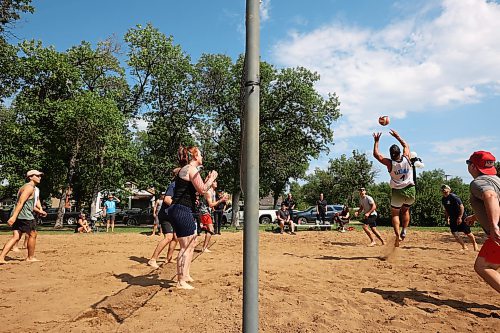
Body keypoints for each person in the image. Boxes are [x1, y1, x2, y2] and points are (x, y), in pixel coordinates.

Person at [168, 146, 218, 289]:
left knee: (193, 241)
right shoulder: (191, 169)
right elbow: (203, 189)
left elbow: (200, 187)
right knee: (186, 245)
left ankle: (186, 274)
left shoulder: (190, 170)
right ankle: (180, 281)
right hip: (180, 209)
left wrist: (207, 180)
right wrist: (212, 178)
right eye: (200, 155)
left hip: (183, 209)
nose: (202, 157)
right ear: (195, 156)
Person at [463, 151, 500, 292]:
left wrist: (494, 225)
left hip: (498, 233)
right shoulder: (497, 180)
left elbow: (490, 196)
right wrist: (476, 216)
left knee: (483, 266)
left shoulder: (478, 182)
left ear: (473, 166)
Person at [373, 129, 415, 247]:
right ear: (399, 153)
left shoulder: (390, 163)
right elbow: (405, 145)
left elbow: (377, 155)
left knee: (395, 214)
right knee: (406, 210)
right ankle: (404, 231)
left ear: (391, 154)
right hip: (411, 189)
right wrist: (397, 136)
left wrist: (376, 141)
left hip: (397, 191)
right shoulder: (407, 157)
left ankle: (397, 234)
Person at [0, 170, 47, 264]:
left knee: (16, 237)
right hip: (24, 215)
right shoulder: (29, 188)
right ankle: (30, 257)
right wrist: (13, 217)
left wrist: (39, 210)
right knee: (33, 234)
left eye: (40, 176)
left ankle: (1, 257)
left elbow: (28, 204)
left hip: (20, 214)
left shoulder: (26, 187)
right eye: (37, 176)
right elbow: (21, 203)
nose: (39, 177)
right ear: (30, 177)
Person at [148, 178, 178, 269]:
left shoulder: (182, 187)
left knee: (176, 237)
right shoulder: (173, 185)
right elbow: (167, 200)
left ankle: (169, 258)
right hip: (166, 215)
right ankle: (152, 259)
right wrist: (178, 206)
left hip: (173, 215)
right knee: (169, 237)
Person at [440, 184, 478, 251]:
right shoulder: (443, 199)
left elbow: (461, 206)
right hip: (452, 217)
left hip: (461, 216)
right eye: (442, 189)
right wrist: (447, 217)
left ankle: (475, 244)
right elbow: (446, 209)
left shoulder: (454, 197)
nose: (444, 190)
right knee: (454, 232)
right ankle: (464, 246)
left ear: (449, 190)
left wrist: (460, 217)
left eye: (445, 188)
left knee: (467, 232)